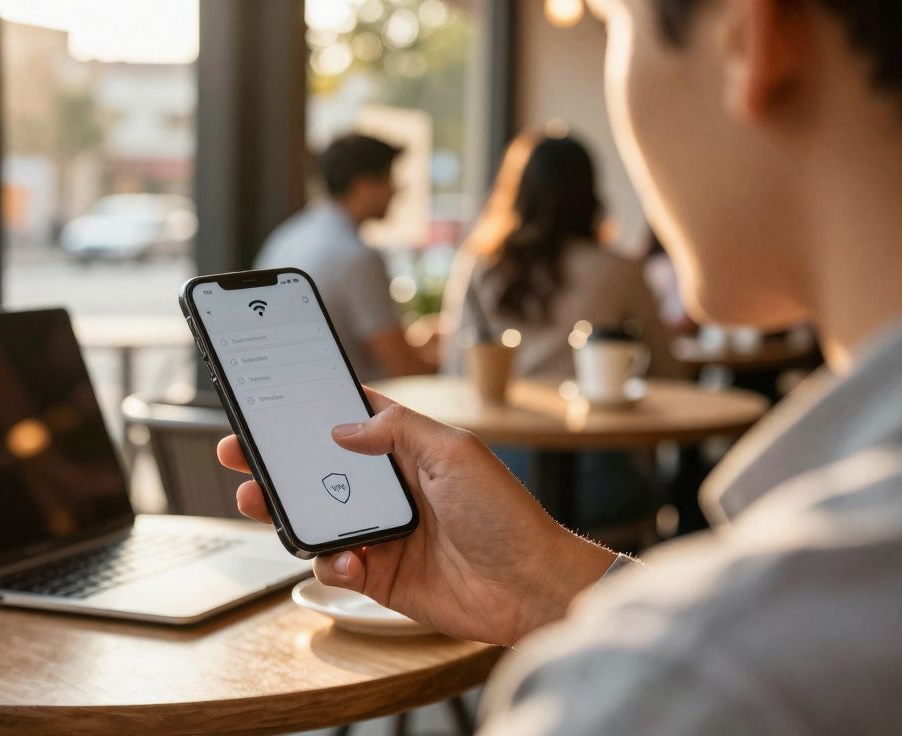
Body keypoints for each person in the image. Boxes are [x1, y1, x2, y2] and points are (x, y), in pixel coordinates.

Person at [220, 0, 902, 731]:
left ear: (752, 39)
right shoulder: (769, 636)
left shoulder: (687, 681)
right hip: (607, 494)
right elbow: (670, 372)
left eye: (613, 23)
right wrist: (548, 581)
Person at [440, 131, 680, 379]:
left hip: (503, 403)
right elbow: (666, 368)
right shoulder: (620, 271)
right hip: (590, 403)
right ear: (589, 193)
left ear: (519, 193)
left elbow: (458, 364)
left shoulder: (483, 263)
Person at [256, 133, 435, 379]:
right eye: (389, 179)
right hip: (353, 400)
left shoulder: (286, 238)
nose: (395, 191)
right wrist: (455, 359)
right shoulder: (356, 257)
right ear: (363, 186)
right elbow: (403, 367)